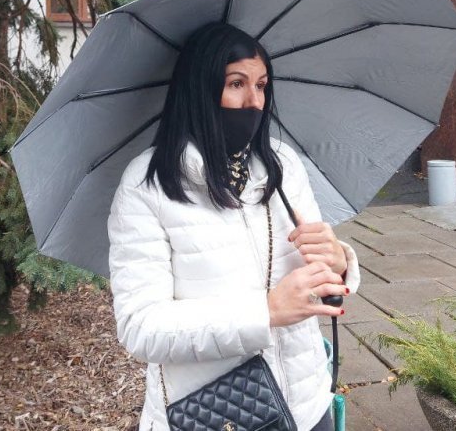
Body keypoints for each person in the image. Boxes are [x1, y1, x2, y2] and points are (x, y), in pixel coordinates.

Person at [107, 22, 361, 431]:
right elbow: (142, 328)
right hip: (218, 413)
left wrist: (337, 262)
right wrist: (265, 311)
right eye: (236, 84)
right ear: (201, 88)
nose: (254, 101)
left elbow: (313, 278)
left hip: (308, 404)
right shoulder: (148, 185)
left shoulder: (282, 165)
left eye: (261, 86)